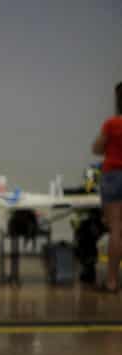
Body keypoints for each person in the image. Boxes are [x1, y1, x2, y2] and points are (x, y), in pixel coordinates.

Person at [92, 82, 122, 293]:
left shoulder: (112, 124)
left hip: (113, 175)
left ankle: (112, 281)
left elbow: (97, 148)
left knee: (116, 229)